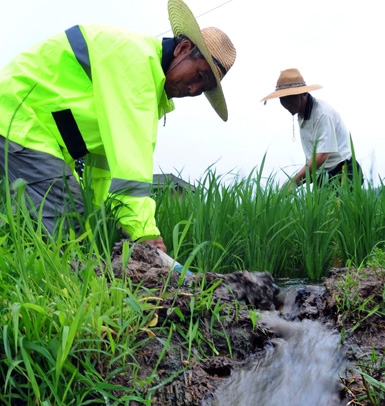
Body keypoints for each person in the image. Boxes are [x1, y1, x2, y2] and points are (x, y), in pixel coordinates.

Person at [0, 0, 236, 252]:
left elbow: (102, 164)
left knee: (69, 220)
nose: (194, 89)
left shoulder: (144, 82)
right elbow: (131, 165)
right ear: (183, 49)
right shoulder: (137, 65)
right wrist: (145, 233)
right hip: (19, 117)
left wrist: (102, 213)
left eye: (204, 88)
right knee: (68, 224)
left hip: (27, 126)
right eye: (199, 76)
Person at [261, 68, 363, 190]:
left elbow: (321, 156)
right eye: (283, 99)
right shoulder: (301, 114)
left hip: (342, 170)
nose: (287, 103)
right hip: (322, 174)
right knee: (317, 209)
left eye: (290, 97)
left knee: (338, 208)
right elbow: (313, 159)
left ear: (304, 94)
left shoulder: (322, 114)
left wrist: (292, 183)